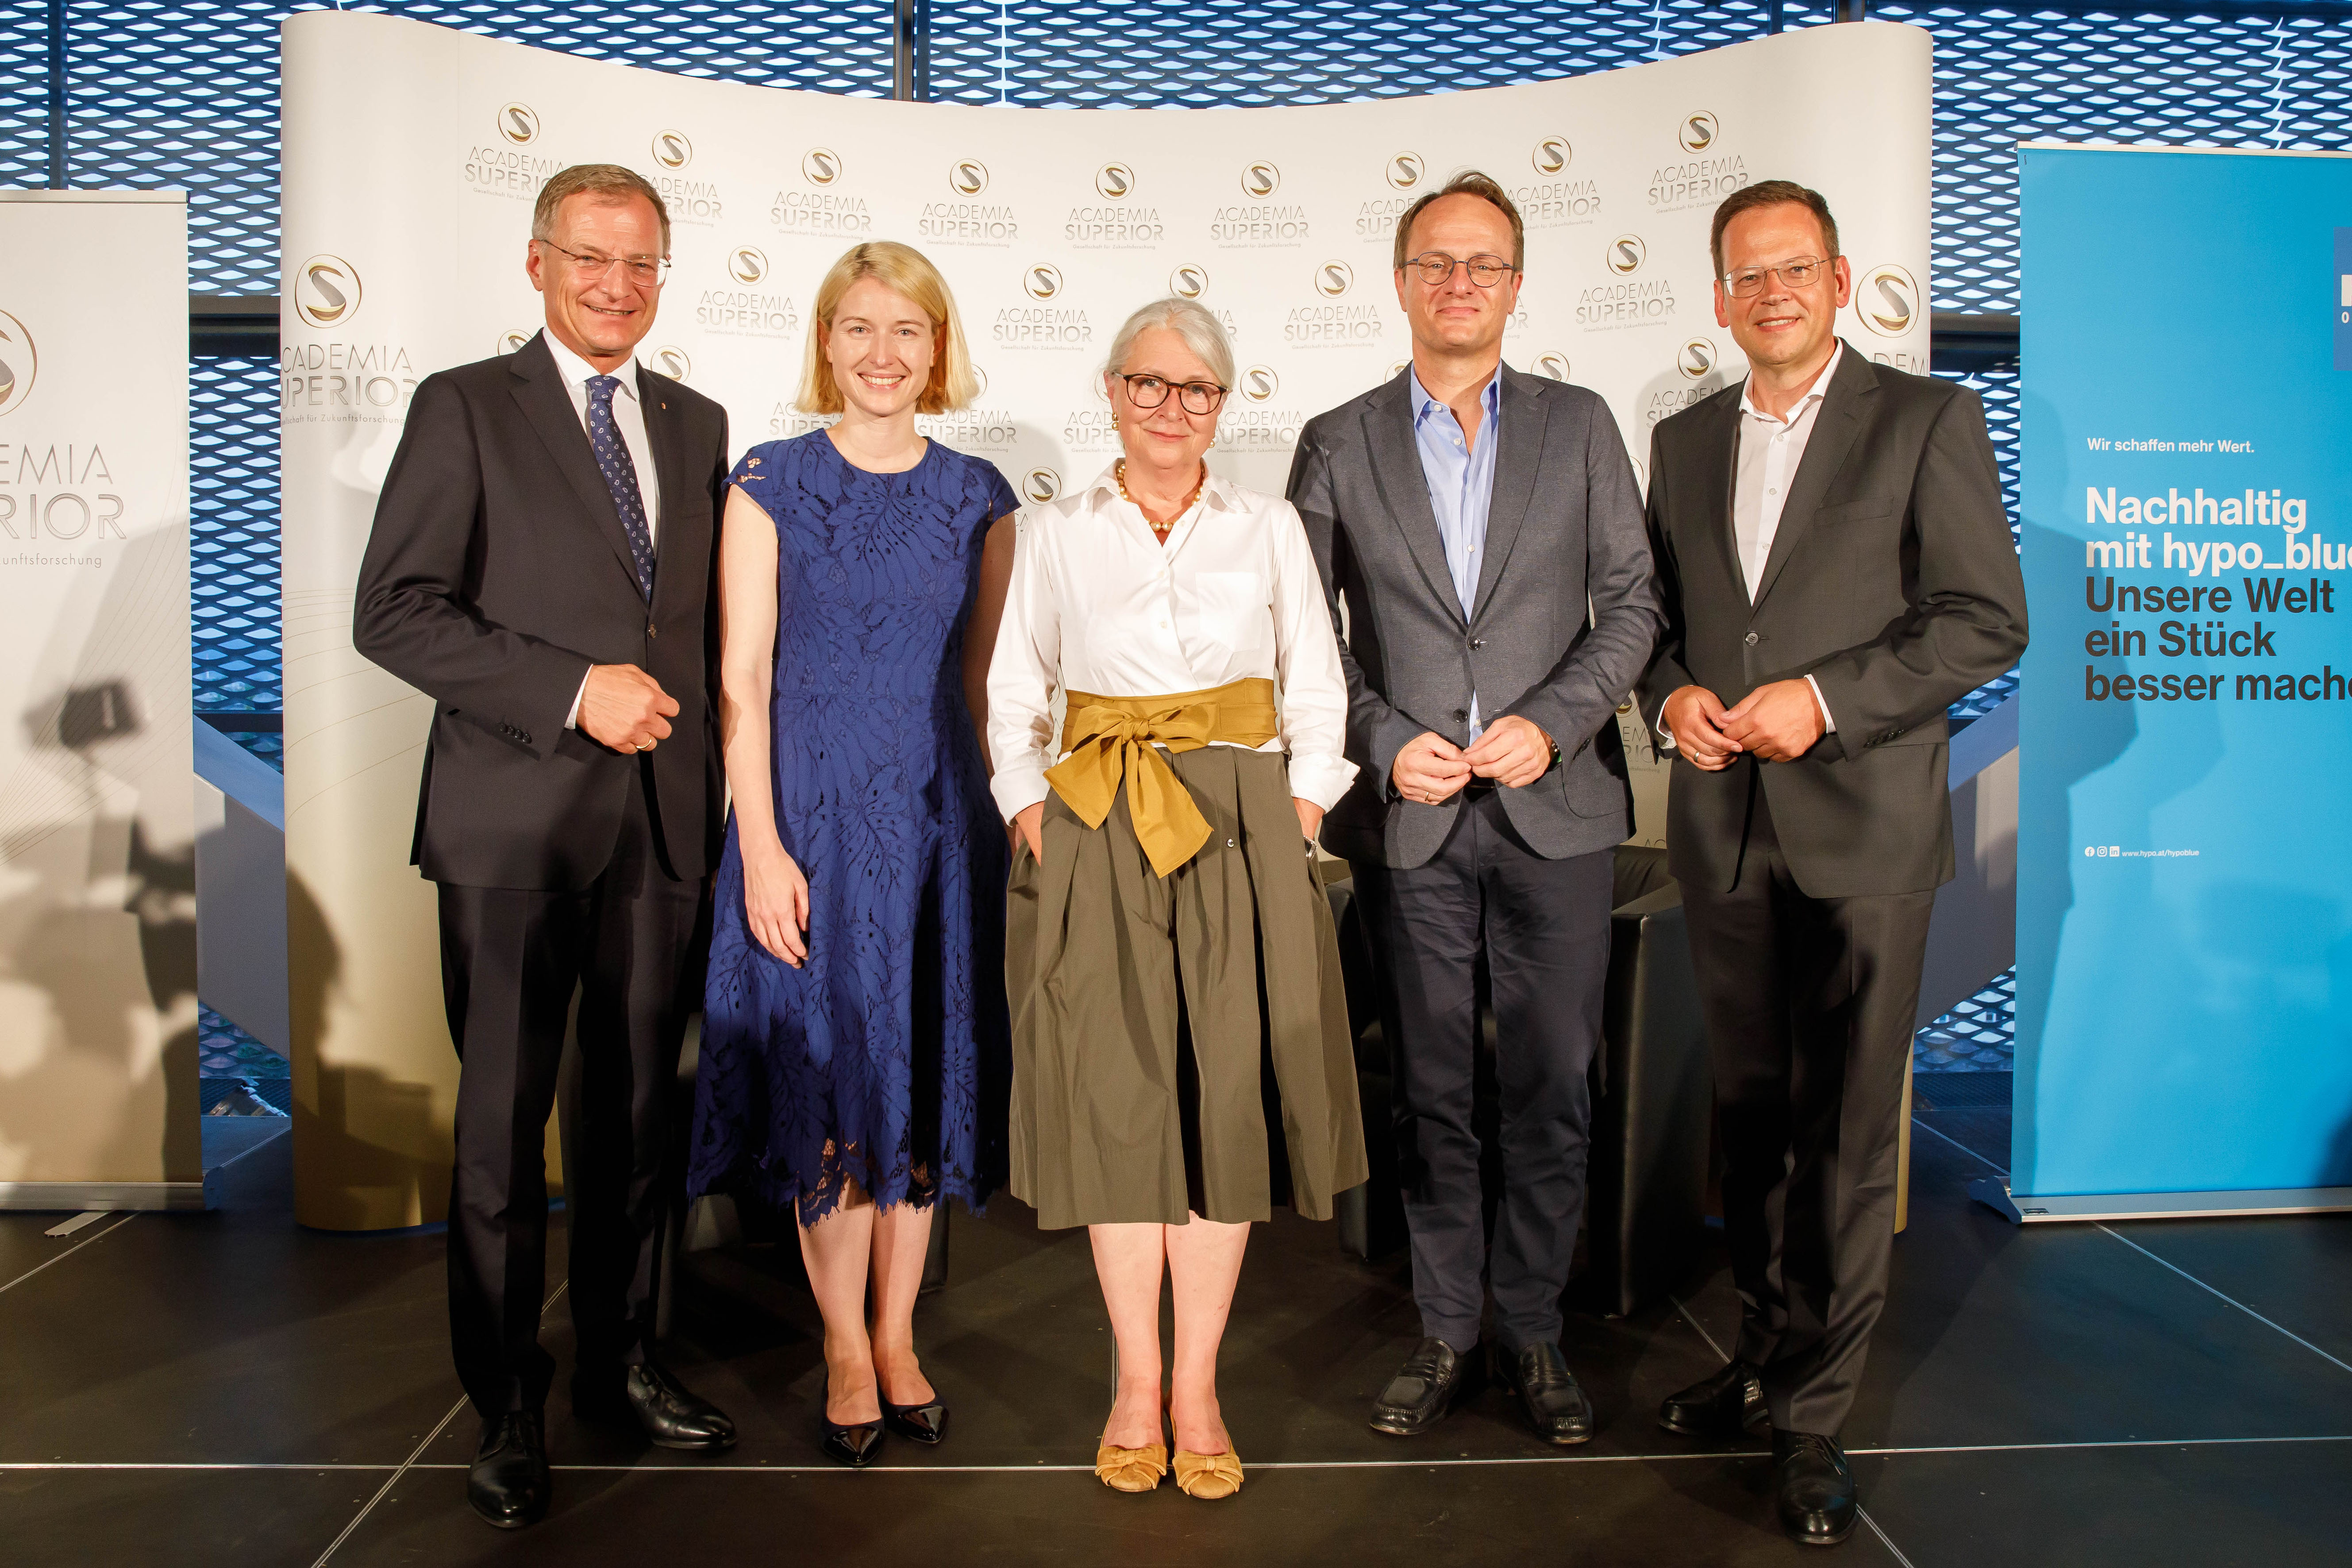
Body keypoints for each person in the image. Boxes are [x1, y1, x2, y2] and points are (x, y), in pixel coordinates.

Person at [1639, 180, 2027, 1547]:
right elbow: (1660, 624)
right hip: (1724, 832)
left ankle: (1812, 1420)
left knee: (1848, 1138)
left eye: (1792, 269)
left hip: (1863, 830)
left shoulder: (1927, 417)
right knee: (1746, 1124)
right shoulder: (1680, 439)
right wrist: (1673, 695)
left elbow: (1984, 621)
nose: (1771, 294)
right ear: (1718, 296)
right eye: (1746, 276)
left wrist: (1829, 700)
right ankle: (1759, 1355)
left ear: (1839, 276)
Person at [354, 164, 736, 1532]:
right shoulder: (463, 406)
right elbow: (394, 611)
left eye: (640, 263)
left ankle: (623, 1364)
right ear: (536, 263)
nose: (616, 286)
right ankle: (507, 1402)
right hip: (509, 827)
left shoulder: (697, 423)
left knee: (640, 1122)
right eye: (591, 259)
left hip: (662, 828)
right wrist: (575, 689)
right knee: (505, 1138)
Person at [1286, 171, 1660, 1446]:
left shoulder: (1580, 423)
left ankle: (1536, 1332)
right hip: (1412, 822)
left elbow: (1632, 608)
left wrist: (1550, 722)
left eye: (1484, 264)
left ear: (1515, 284)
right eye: (1436, 262)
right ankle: (1448, 1328)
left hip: (1557, 808)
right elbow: (1304, 642)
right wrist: (1384, 742)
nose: (1460, 283)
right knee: (1432, 1088)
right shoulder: (1337, 440)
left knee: (1553, 1081)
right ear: (1400, 282)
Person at [989, 297, 1367, 1502]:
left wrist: (1298, 811)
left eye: (1193, 389)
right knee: (1119, 1100)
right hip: (1099, 817)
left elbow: (1317, 679)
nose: (1168, 408)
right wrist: (1028, 810)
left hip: (1241, 829)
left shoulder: (1268, 528)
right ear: (1110, 392)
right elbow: (1014, 690)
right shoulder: (1052, 531)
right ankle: (1133, 1383)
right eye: (1146, 385)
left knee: (1223, 1105)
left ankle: (1198, 1385)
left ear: (1223, 404)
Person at [685, 240, 1016, 1470]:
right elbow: (741, 677)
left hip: (937, 824)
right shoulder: (768, 480)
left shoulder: (981, 493)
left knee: (921, 1078)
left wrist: (1001, 822)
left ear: (939, 349)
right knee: (830, 1085)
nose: (884, 354)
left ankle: (896, 1334)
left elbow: (983, 685)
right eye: (859, 328)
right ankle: (837, 1342)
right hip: (808, 820)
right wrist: (760, 848)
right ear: (826, 342)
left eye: (908, 331)